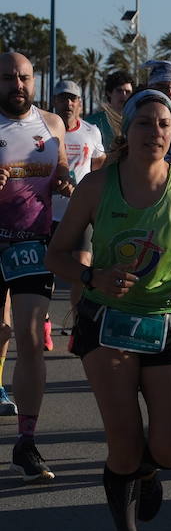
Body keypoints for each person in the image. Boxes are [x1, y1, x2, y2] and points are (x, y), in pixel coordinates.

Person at [46, 88, 171, 531]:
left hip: (169, 323)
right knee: (124, 444)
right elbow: (56, 254)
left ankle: (147, 473)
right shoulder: (97, 187)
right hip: (108, 323)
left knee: (170, 451)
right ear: (127, 131)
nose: (156, 133)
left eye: (165, 125)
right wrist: (91, 279)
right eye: (145, 124)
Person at [1, 52, 71, 482]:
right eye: (8, 78)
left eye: (24, 77)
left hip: (30, 242)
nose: (18, 85)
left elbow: (60, 164)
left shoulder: (52, 124)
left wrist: (63, 177)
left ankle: (26, 441)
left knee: (29, 337)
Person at [49, 79, 106, 336]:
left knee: (82, 265)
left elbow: (99, 167)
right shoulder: (45, 131)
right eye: (62, 98)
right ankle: (45, 318)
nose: (68, 103)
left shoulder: (91, 132)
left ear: (80, 104)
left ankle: (78, 325)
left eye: (72, 98)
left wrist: (90, 196)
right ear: (54, 102)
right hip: (47, 212)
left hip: (80, 213)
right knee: (44, 271)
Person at [83, 69, 134, 153]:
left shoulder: (136, 120)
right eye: (119, 91)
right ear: (109, 93)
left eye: (128, 92)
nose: (124, 95)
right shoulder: (93, 122)